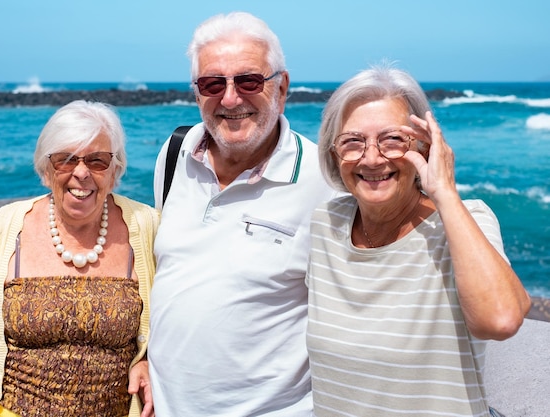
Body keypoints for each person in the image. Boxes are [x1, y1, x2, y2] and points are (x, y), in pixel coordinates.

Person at [306, 65, 531, 416]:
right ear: (335, 154)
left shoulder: (462, 222)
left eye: (392, 139)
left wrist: (444, 192)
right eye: (353, 142)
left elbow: (501, 320)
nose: (371, 158)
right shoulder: (325, 224)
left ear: (423, 146)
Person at [148, 11, 336, 417]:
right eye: (213, 83)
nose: (230, 98)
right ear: (197, 93)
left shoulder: (325, 179)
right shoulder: (173, 156)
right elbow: (172, 275)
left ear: (282, 87)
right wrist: (143, 355)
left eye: (249, 81)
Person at [0, 100, 158, 417]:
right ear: (46, 168)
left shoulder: (146, 226)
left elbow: (171, 322)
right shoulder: (3, 227)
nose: (81, 172)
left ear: (115, 169)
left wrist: (147, 360)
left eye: (98, 161)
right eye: (66, 159)